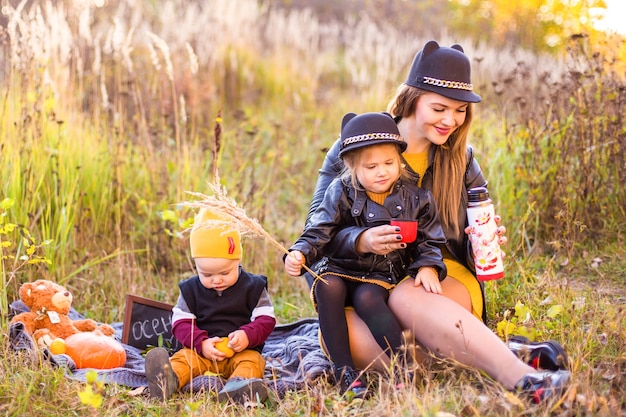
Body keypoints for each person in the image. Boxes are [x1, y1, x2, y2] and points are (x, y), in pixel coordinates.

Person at [304, 40, 570, 403]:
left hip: (434, 278)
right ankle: (511, 350)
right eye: (439, 107)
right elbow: (315, 232)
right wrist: (361, 241)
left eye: (460, 110)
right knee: (368, 350)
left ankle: (525, 380)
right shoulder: (358, 145)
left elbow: (470, 249)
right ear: (413, 99)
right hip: (366, 282)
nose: (451, 120)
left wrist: (482, 242)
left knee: (404, 298)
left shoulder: (461, 160)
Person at [285, 111, 447, 398]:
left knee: (367, 297)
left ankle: (403, 367)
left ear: (400, 159)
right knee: (328, 286)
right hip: (339, 265)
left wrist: (428, 266)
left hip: (380, 272)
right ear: (352, 168)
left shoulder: (417, 198)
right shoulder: (340, 191)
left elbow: (430, 240)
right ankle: (345, 371)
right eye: (371, 166)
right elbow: (320, 228)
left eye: (389, 163)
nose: (382, 171)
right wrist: (300, 251)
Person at [145, 208, 276, 405]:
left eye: (224, 272)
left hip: (241, 352)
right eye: (206, 275)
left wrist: (247, 335)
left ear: (238, 259)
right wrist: (201, 343)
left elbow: (266, 320)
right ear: (196, 265)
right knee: (184, 358)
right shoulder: (190, 290)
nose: (216, 280)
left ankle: (240, 387)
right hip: (202, 353)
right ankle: (167, 380)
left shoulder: (253, 287)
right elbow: (181, 323)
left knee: (253, 362)